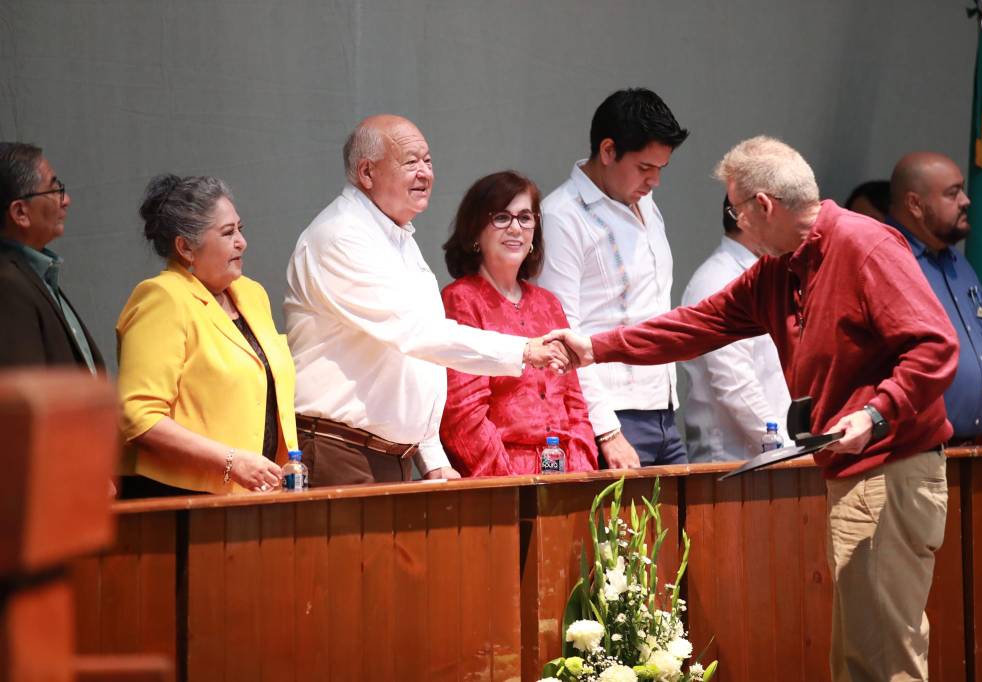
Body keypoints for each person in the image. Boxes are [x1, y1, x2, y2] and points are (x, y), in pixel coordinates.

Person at [547, 136, 958, 682]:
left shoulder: (863, 244)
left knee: (884, 655)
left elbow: (934, 346)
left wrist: (877, 414)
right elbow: (695, 325)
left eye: (737, 209)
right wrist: (595, 347)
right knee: (862, 653)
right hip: (855, 473)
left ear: (763, 207)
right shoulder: (779, 270)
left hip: (892, 468)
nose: (735, 220)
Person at [284, 115, 568, 486]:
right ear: (367, 173)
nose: (425, 173)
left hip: (391, 455)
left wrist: (432, 456)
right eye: (410, 162)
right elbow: (418, 335)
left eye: (428, 161)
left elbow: (417, 364)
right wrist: (526, 349)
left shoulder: (396, 237)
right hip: (342, 451)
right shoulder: (342, 237)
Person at [537, 88, 689, 469]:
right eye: (644, 168)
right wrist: (607, 431)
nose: (654, 181)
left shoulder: (647, 205)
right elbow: (562, 329)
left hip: (664, 409)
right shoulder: (561, 215)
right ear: (608, 151)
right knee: (618, 530)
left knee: (682, 528)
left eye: (661, 169)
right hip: (611, 415)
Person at [117, 174, 297, 496]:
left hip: (256, 493)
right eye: (228, 233)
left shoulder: (251, 294)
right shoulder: (163, 297)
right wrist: (231, 461)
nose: (242, 241)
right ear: (185, 247)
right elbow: (138, 416)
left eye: (241, 229)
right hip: (180, 496)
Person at [439, 171, 598, 476]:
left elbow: (574, 402)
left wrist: (581, 473)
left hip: (566, 473)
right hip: (499, 480)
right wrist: (510, 482)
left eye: (525, 217)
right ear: (475, 231)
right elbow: (463, 414)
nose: (516, 228)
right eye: (501, 217)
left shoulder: (548, 303)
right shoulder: (460, 301)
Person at [889, 151, 982, 443]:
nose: (966, 200)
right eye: (953, 193)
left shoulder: (959, 265)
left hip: (975, 453)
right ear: (915, 204)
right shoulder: (886, 261)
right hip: (913, 455)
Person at [679, 196, 791, 461]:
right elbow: (735, 383)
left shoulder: (770, 272)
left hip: (775, 453)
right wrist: (785, 448)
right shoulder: (717, 280)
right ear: (746, 216)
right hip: (733, 461)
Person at [0, 142, 103, 372]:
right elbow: (27, 392)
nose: (66, 200)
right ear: (20, 213)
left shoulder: (34, 275)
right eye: (54, 189)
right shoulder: (7, 285)